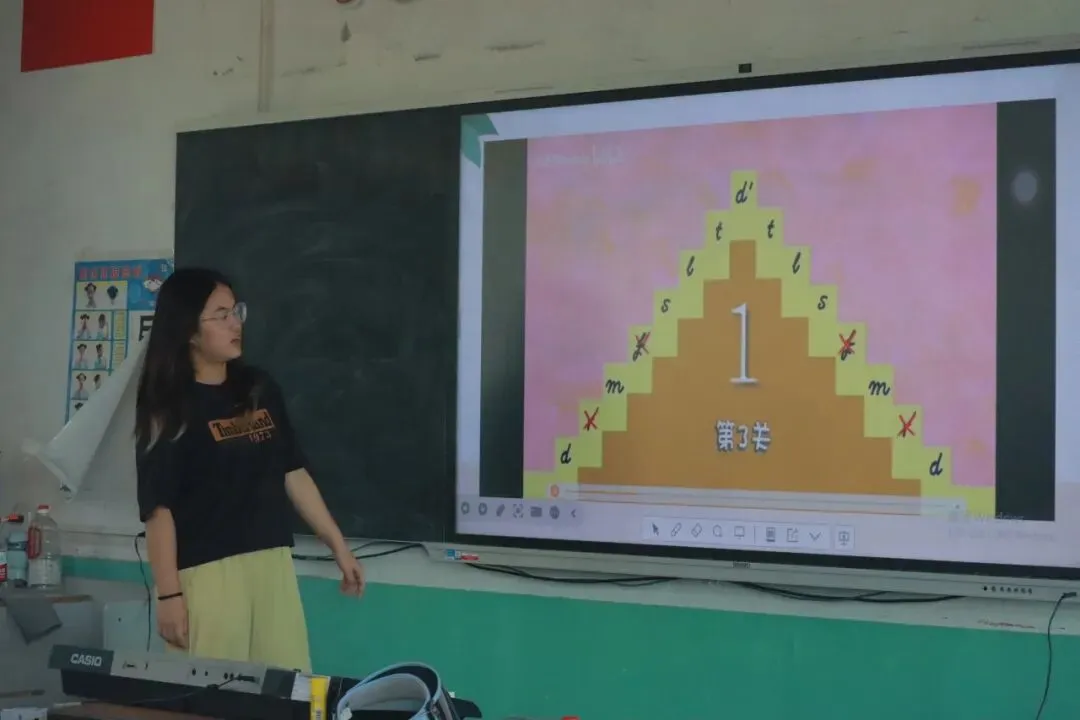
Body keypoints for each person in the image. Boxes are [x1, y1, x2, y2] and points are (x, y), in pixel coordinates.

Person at [135, 267, 363, 672]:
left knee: (285, 688)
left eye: (236, 311)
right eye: (220, 315)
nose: (235, 323)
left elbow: (292, 471)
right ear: (189, 330)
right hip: (207, 574)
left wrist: (339, 547)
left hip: (271, 563)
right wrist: (169, 595)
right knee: (215, 693)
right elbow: (158, 509)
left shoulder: (258, 389)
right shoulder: (169, 406)